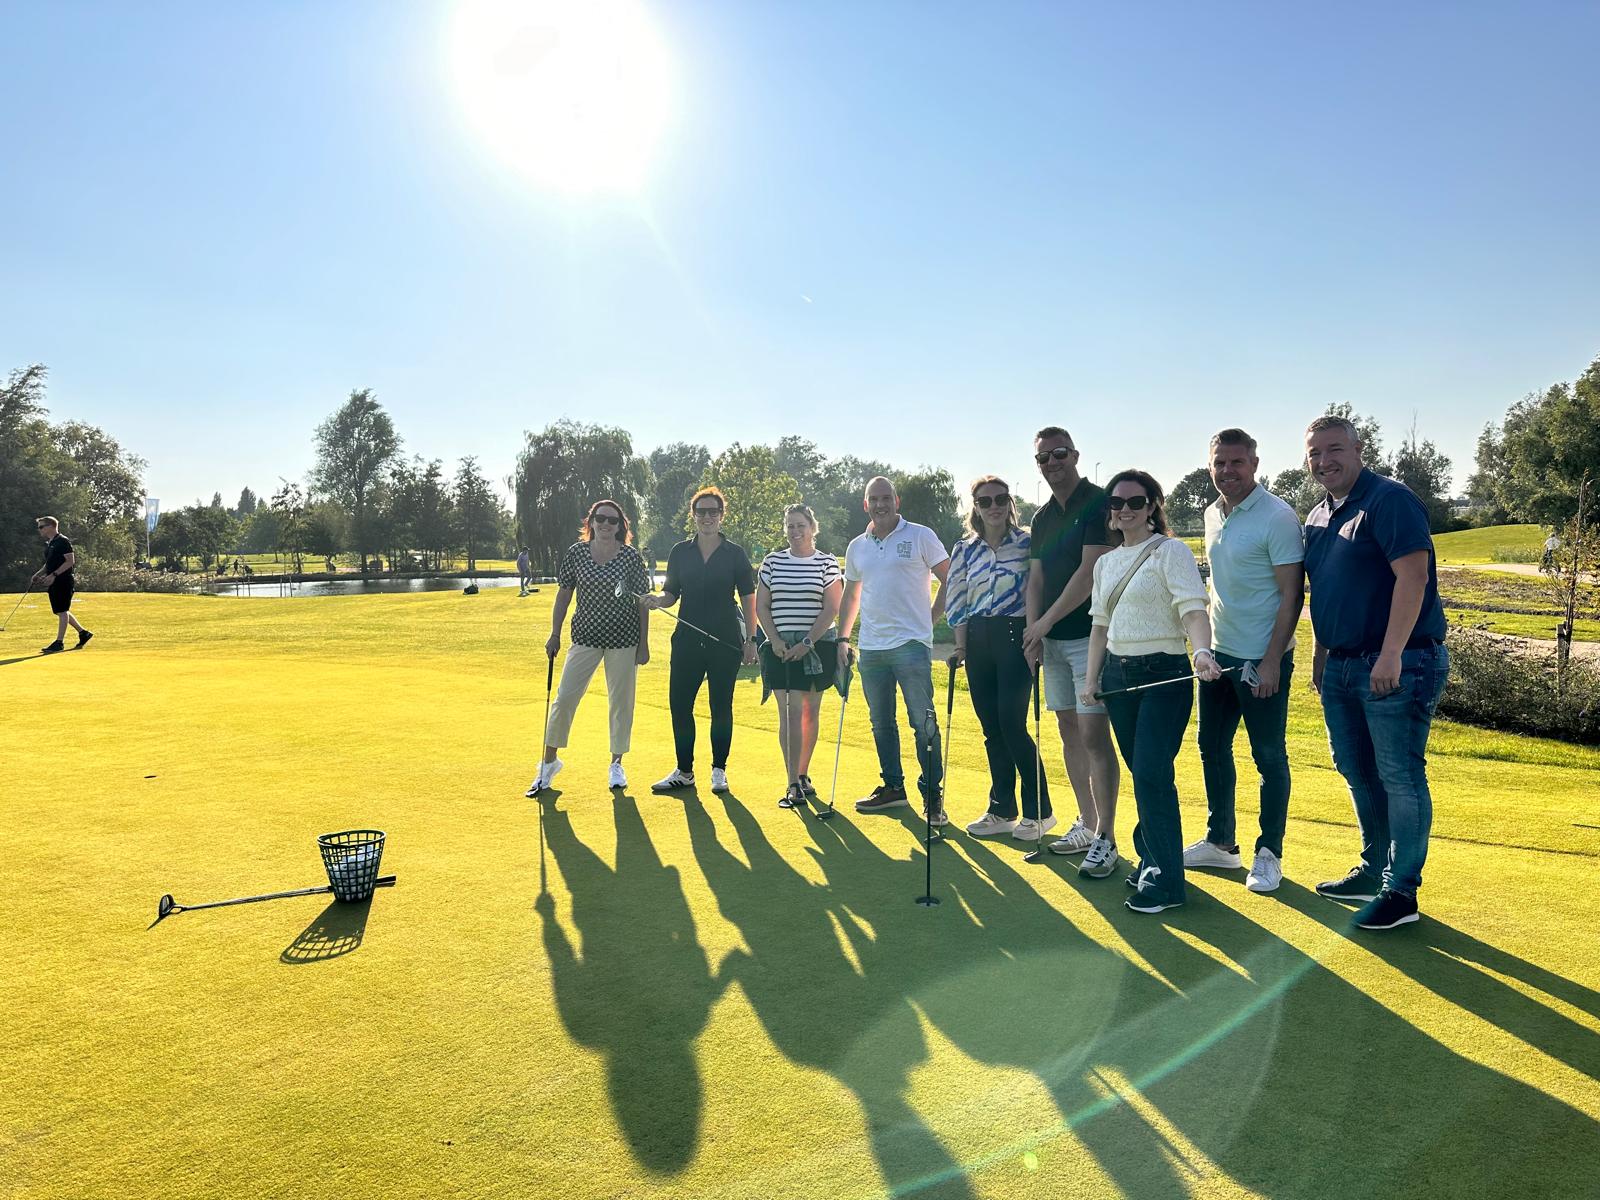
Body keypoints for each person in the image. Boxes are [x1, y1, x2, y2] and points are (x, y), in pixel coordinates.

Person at [1304, 414, 1448, 931]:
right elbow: (1327, 590)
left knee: (1399, 775)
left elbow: (1413, 577)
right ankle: (1373, 870)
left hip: (1398, 663)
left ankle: (1401, 891)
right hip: (1341, 664)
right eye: (1315, 453)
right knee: (1355, 768)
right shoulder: (1319, 514)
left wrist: (1391, 654)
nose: (1324, 461)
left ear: (1358, 450)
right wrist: (1320, 654)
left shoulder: (1390, 500)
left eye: (1334, 449)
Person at [1081, 471, 1222, 913]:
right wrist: (1090, 679)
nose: (1125, 509)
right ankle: (1151, 858)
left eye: (1136, 502)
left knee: (1150, 773)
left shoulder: (1171, 552)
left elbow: (1193, 610)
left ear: (1152, 506)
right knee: (1142, 772)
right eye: (1117, 502)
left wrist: (1202, 652)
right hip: (1116, 678)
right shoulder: (1105, 563)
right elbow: (1099, 626)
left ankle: (1166, 881)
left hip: (1164, 675)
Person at [1186, 429, 1305, 893]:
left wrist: (1273, 659)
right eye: (1219, 462)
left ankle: (1269, 853)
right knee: (1211, 747)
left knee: (1268, 755)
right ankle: (1220, 843)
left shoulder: (1277, 516)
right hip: (1219, 655)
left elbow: (1292, 595)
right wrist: (1204, 648)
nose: (1227, 471)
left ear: (1254, 463)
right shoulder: (1211, 513)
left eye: (1236, 462)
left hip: (1262, 657)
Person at [1020, 427, 1120, 865]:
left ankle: (1106, 835)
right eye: (1043, 458)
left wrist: (1045, 622)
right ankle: (1087, 821)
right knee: (1067, 728)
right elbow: (1036, 579)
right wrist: (1033, 633)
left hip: (1091, 638)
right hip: (1054, 642)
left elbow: (1089, 571)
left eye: (1058, 454)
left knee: (1094, 734)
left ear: (1075, 455)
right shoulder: (1042, 517)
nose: (1051, 463)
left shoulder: (1099, 502)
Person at [836, 477, 952, 821]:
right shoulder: (857, 546)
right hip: (872, 649)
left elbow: (950, 578)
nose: (880, 504)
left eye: (886, 498)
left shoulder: (920, 535)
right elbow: (851, 595)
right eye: (874, 499)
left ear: (896, 501)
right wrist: (843, 639)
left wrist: (931, 619)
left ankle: (932, 795)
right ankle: (893, 788)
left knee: (922, 722)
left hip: (911, 646)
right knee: (881, 723)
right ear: (865, 504)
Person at [946, 477, 1052, 841]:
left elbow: (1039, 589)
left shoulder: (1026, 542)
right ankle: (1002, 809)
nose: (994, 506)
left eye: (1000, 499)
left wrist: (1035, 637)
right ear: (975, 507)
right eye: (985, 501)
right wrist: (961, 647)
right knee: (992, 729)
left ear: (1009, 503)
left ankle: (1039, 811)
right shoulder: (964, 549)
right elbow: (957, 599)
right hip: (978, 639)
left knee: (1012, 724)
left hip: (1015, 637)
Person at [529, 500, 651, 795]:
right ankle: (549, 763)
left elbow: (642, 602)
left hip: (624, 639)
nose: (606, 524)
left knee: (621, 703)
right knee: (565, 699)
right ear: (591, 522)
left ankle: (616, 764)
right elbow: (564, 595)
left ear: (620, 526)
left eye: (612, 520)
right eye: (600, 518)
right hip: (585, 637)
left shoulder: (630, 557)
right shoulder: (577, 553)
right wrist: (554, 634)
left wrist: (644, 644)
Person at [647, 487, 759, 795]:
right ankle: (684, 772)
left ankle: (719, 770)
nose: (707, 517)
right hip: (686, 641)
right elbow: (672, 592)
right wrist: (659, 600)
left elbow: (748, 598)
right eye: (701, 512)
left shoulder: (735, 554)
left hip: (724, 641)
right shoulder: (680, 552)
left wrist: (751, 639)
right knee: (680, 705)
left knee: (720, 706)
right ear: (693, 516)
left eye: (713, 512)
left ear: (722, 515)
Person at [757, 504, 843, 807]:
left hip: (817, 646)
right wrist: (774, 640)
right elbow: (762, 606)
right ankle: (792, 781)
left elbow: (832, 608)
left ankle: (803, 773)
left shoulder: (827, 563)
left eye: (800, 525)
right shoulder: (772, 562)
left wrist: (807, 642)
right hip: (780, 648)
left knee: (809, 712)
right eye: (790, 526)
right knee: (790, 712)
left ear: (812, 528)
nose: (795, 531)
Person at [31, 516, 92, 654]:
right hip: (54, 580)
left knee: (62, 610)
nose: (39, 529)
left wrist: (54, 575)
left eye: (41, 527)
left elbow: (70, 561)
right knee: (60, 610)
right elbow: (49, 563)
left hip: (63, 580)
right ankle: (83, 633)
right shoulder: (51, 543)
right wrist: (38, 574)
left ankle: (59, 643)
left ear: (51, 526)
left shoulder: (63, 541)